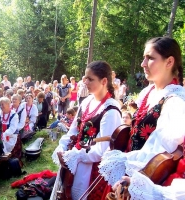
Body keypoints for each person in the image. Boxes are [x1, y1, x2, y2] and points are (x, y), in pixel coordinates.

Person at [98, 37, 185, 200]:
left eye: (150, 58)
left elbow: (160, 153)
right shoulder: (148, 92)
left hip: (148, 179)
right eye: (144, 57)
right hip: (129, 172)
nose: (143, 63)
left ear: (169, 62)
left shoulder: (176, 101)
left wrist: (136, 181)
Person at [51, 61, 122, 200]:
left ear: (104, 81)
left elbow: (102, 150)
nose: (85, 82)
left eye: (90, 79)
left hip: (90, 170)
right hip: (74, 161)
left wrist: (76, 156)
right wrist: (62, 146)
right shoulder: (87, 101)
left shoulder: (111, 110)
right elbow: (73, 130)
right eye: (85, 78)